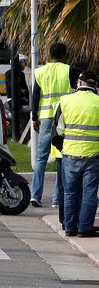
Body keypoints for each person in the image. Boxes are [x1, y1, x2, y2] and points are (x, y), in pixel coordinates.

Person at [31, 43, 80, 208]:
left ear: (49, 54)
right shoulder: (70, 70)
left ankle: (35, 195)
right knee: (61, 156)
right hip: (63, 118)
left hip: (45, 118)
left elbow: (35, 96)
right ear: (65, 54)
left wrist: (34, 117)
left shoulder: (39, 72)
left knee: (41, 158)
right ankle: (57, 199)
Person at [51, 71, 99, 237]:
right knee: (89, 193)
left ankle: (70, 227)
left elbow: (55, 133)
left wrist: (63, 149)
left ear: (79, 83)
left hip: (70, 155)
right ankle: (85, 228)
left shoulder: (64, 101)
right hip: (94, 156)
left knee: (70, 193)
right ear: (95, 86)